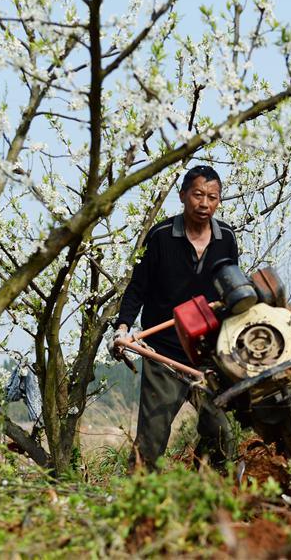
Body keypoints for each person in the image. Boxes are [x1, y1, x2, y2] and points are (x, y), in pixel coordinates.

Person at [107, 165, 238, 470]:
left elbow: (231, 292)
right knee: (151, 443)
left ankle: (204, 491)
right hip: (163, 353)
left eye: (212, 197)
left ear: (218, 201)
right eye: (197, 195)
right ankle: (136, 504)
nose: (204, 203)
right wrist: (123, 328)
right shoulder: (161, 236)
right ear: (182, 196)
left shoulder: (226, 239)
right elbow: (137, 288)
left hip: (207, 355)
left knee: (222, 434)